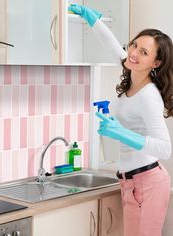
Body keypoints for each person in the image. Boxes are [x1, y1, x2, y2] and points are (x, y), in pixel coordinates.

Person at [68, 4, 173, 236]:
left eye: (143, 52)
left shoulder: (148, 96)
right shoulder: (133, 73)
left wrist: (122, 134)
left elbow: (165, 148)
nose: (133, 53)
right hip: (131, 183)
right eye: (134, 44)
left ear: (156, 63)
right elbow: (114, 48)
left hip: (148, 183)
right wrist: (93, 20)